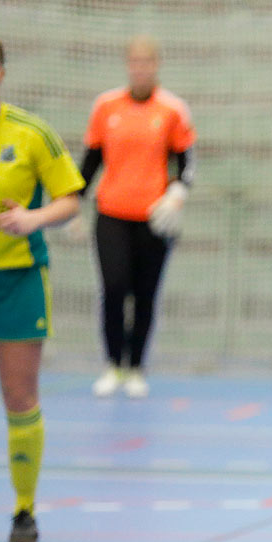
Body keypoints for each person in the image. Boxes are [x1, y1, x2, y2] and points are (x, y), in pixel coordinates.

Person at [0, 34, 85, 542]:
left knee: (19, 397)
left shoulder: (30, 134)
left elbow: (71, 197)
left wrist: (33, 219)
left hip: (17, 280)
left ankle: (24, 511)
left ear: (2, 72)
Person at [79, 35, 196, 399]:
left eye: (147, 62)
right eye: (135, 62)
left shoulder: (173, 109)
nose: (140, 68)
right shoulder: (106, 106)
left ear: (156, 66)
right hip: (111, 213)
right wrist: (71, 205)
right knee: (114, 289)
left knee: (146, 293)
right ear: (128, 65)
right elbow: (90, 161)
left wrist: (176, 194)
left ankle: (136, 366)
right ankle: (113, 363)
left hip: (153, 218)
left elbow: (185, 162)